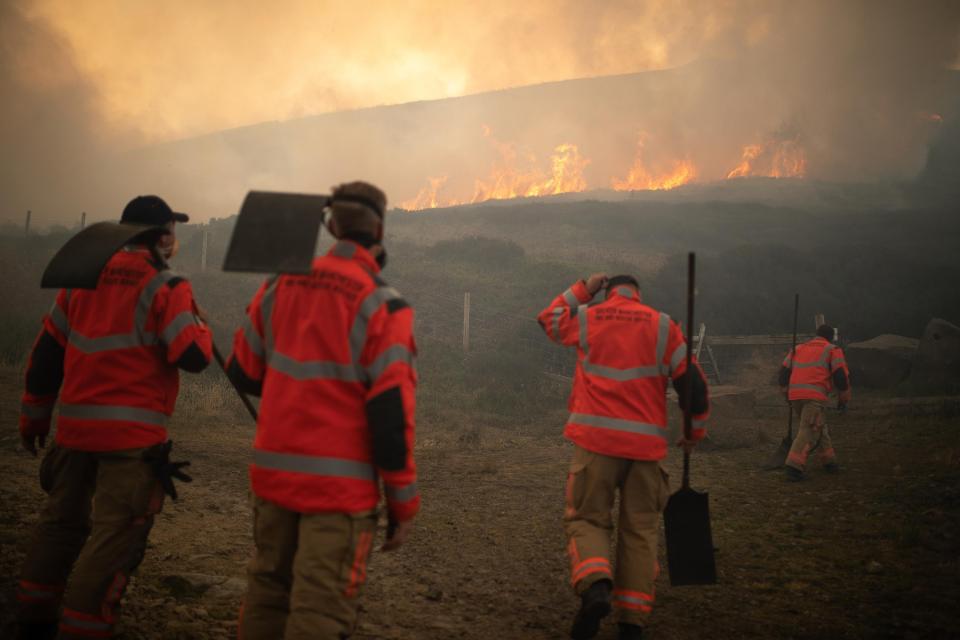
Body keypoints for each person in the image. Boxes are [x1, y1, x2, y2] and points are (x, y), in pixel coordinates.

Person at [228, 181, 419, 639]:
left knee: (267, 593)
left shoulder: (278, 282)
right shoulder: (384, 305)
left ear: (332, 226)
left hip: (273, 481)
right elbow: (390, 419)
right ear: (381, 228)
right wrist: (401, 503)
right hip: (338, 495)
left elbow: (243, 371)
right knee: (320, 610)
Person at [16, 195, 212, 639]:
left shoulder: (81, 280)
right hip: (131, 441)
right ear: (163, 237)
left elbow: (47, 354)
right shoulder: (166, 285)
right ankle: (84, 626)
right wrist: (200, 325)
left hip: (74, 432)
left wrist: (34, 418)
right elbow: (194, 356)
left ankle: (32, 614)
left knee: (60, 524)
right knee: (113, 536)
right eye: (173, 232)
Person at [538, 273, 710, 640]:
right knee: (641, 531)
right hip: (646, 452)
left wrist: (584, 287)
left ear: (609, 290)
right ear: (638, 294)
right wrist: (693, 433)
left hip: (596, 444)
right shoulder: (664, 326)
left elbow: (548, 318)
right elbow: (692, 385)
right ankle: (632, 621)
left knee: (586, 519)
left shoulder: (589, 316)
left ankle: (597, 586)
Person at [778, 323, 851, 481]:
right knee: (809, 429)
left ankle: (829, 461)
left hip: (795, 395)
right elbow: (840, 377)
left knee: (818, 427)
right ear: (831, 337)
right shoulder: (832, 350)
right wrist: (843, 398)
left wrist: (785, 390)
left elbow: (783, 373)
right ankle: (793, 467)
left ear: (816, 334)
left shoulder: (798, 348)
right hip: (814, 396)